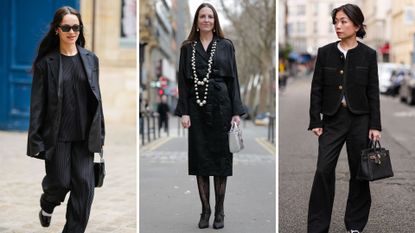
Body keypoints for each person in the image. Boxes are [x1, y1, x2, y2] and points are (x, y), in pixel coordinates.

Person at [26, 6, 105, 233]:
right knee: (60, 182)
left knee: (84, 189)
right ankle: (47, 203)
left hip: (85, 136)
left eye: (76, 27)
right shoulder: (46, 63)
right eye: (67, 27)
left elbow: (97, 100)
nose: (72, 32)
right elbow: (37, 105)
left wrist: (100, 134)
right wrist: (36, 140)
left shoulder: (91, 59)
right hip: (58, 135)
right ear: (57, 30)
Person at [307, 4, 381, 233]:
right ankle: (318, 227)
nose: (338, 26)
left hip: (360, 120)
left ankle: (355, 225)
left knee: (360, 173)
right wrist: (315, 121)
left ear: (356, 25)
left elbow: (373, 91)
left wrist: (375, 126)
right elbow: (316, 88)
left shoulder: (368, 55)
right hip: (332, 119)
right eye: (336, 21)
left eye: (343, 21)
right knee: (323, 170)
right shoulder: (326, 52)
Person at [174, 3, 245, 230]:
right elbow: (183, 83)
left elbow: (234, 78)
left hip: (222, 108)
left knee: (221, 161)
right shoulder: (187, 48)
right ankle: (205, 210)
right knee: (201, 160)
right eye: (202, 16)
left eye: (210, 17)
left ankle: (220, 211)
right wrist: (184, 111)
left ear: (215, 21)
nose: (206, 20)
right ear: (197, 21)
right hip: (197, 108)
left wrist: (236, 111)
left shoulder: (226, 45)